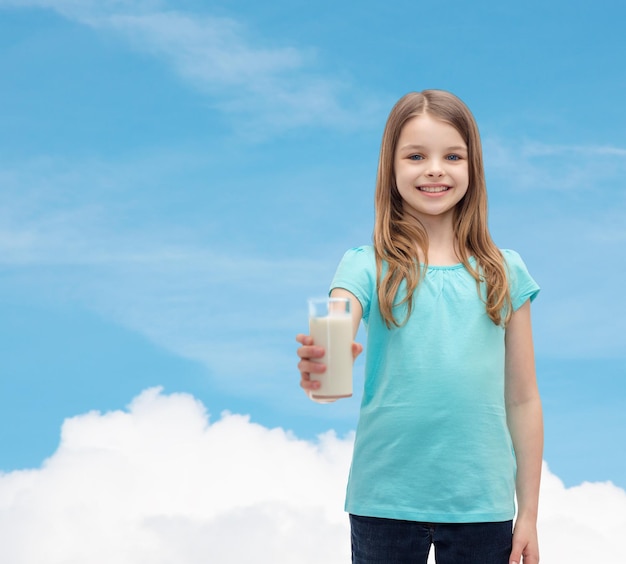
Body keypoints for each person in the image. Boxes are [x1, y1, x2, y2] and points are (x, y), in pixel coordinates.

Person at [296, 90, 543, 564]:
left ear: (473, 168)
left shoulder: (505, 272)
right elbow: (336, 339)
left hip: (482, 507)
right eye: (415, 156)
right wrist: (324, 369)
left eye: (452, 155)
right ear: (391, 169)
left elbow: (523, 398)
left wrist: (528, 513)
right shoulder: (363, 266)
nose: (434, 169)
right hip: (383, 503)